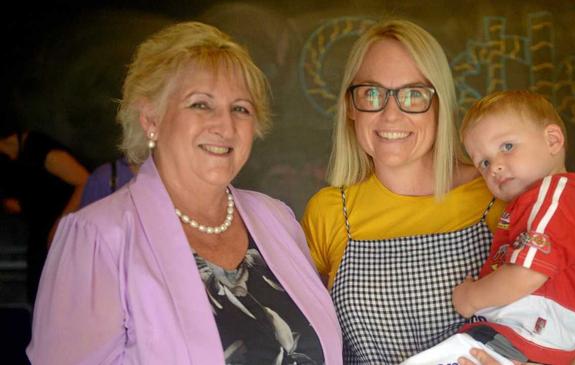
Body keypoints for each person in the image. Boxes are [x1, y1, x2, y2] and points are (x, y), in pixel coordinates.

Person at [300, 19, 575, 365]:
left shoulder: (503, 193)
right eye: (372, 93)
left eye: (414, 94)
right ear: (351, 107)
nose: (391, 114)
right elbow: (304, 338)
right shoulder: (329, 211)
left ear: (440, 106)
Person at [27, 21, 342, 364]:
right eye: (200, 104)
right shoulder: (97, 239)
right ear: (151, 119)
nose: (225, 125)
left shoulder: (277, 219)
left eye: (240, 108)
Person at [401, 90, 575, 365]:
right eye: (484, 162)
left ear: (552, 140)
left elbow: (527, 273)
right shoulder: (541, 199)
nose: (494, 167)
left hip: (538, 325)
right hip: (545, 329)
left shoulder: (555, 196)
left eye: (507, 146)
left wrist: (471, 297)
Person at [0, 126, 89, 304]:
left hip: (63, 236)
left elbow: (86, 181)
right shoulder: (10, 161)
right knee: (39, 296)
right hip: (40, 237)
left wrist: (62, 225)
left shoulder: (42, 151)